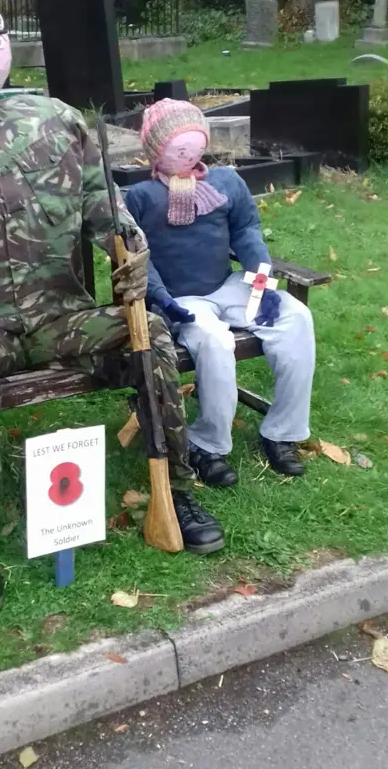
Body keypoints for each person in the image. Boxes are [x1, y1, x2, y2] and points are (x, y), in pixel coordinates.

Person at [0, 2, 224, 613]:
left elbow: (102, 205)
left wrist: (130, 247)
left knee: (155, 335)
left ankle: (178, 486)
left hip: (63, 317)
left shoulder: (56, 122)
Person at [125, 99, 316, 489]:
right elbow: (135, 253)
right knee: (213, 341)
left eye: (195, 146)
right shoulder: (141, 197)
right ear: (155, 151)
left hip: (227, 285)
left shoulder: (226, 182)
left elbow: (247, 230)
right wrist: (163, 300)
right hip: (182, 299)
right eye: (178, 149)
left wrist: (261, 282)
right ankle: (208, 443)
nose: (189, 154)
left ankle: (282, 431)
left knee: (296, 317)